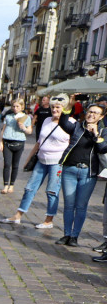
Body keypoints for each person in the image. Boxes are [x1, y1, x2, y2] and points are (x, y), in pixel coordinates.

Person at [2, 97, 69, 228]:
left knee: (52, 191)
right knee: (30, 187)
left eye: (58, 107)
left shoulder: (70, 123)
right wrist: (28, 159)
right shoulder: (46, 120)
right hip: (41, 159)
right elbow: (39, 142)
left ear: (64, 108)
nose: (54, 110)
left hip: (57, 162)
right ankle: (18, 215)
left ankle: (49, 220)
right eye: (53, 107)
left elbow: (72, 143)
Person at [55, 103, 107, 247]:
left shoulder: (103, 131)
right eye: (90, 112)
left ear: (101, 117)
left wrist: (96, 134)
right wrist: (69, 105)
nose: (92, 115)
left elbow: (103, 149)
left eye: (96, 113)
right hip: (69, 170)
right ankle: (66, 234)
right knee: (69, 204)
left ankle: (74, 236)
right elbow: (63, 122)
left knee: (81, 206)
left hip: (88, 173)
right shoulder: (77, 126)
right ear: (86, 112)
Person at [0, 99, 33, 193]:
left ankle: (12, 185)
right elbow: (3, 130)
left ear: (22, 107)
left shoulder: (26, 117)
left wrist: (24, 128)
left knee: (15, 165)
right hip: (7, 141)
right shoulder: (9, 116)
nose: (15, 108)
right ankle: (5, 185)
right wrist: (0, 142)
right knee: (7, 164)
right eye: (13, 106)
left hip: (19, 142)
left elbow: (30, 131)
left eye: (17, 106)